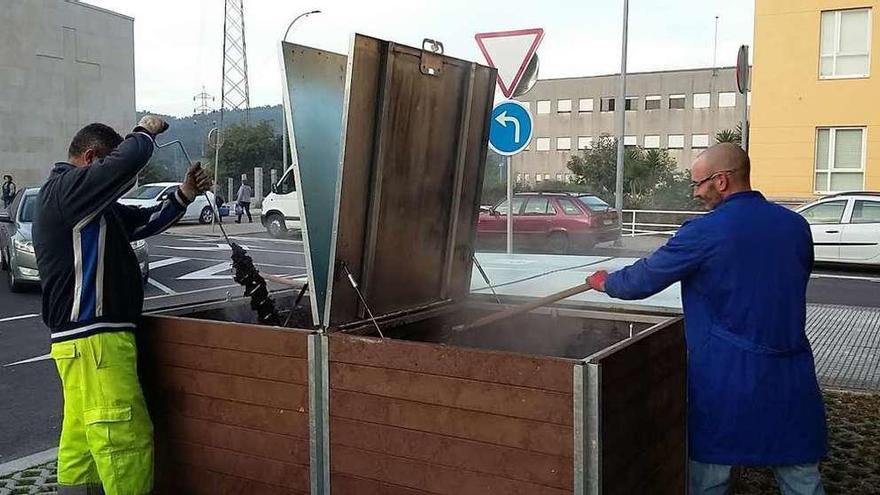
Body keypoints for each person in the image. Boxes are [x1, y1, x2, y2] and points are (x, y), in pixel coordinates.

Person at [586, 143, 827, 495]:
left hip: (726, 379)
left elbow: (646, 278)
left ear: (722, 181)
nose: (696, 193)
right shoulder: (795, 226)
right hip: (791, 374)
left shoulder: (705, 232)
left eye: (698, 184)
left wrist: (606, 282)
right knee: (801, 477)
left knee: (711, 478)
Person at [33, 116, 212, 495]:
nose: (116, 182)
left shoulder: (92, 208)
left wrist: (184, 193)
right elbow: (128, 160)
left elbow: (146, 220)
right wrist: (144, 129)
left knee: (81, 440)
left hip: (78, 346)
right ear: (91, 157)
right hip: (97, 341)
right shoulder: (65, 191)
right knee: (123, 438)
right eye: (107, 167)